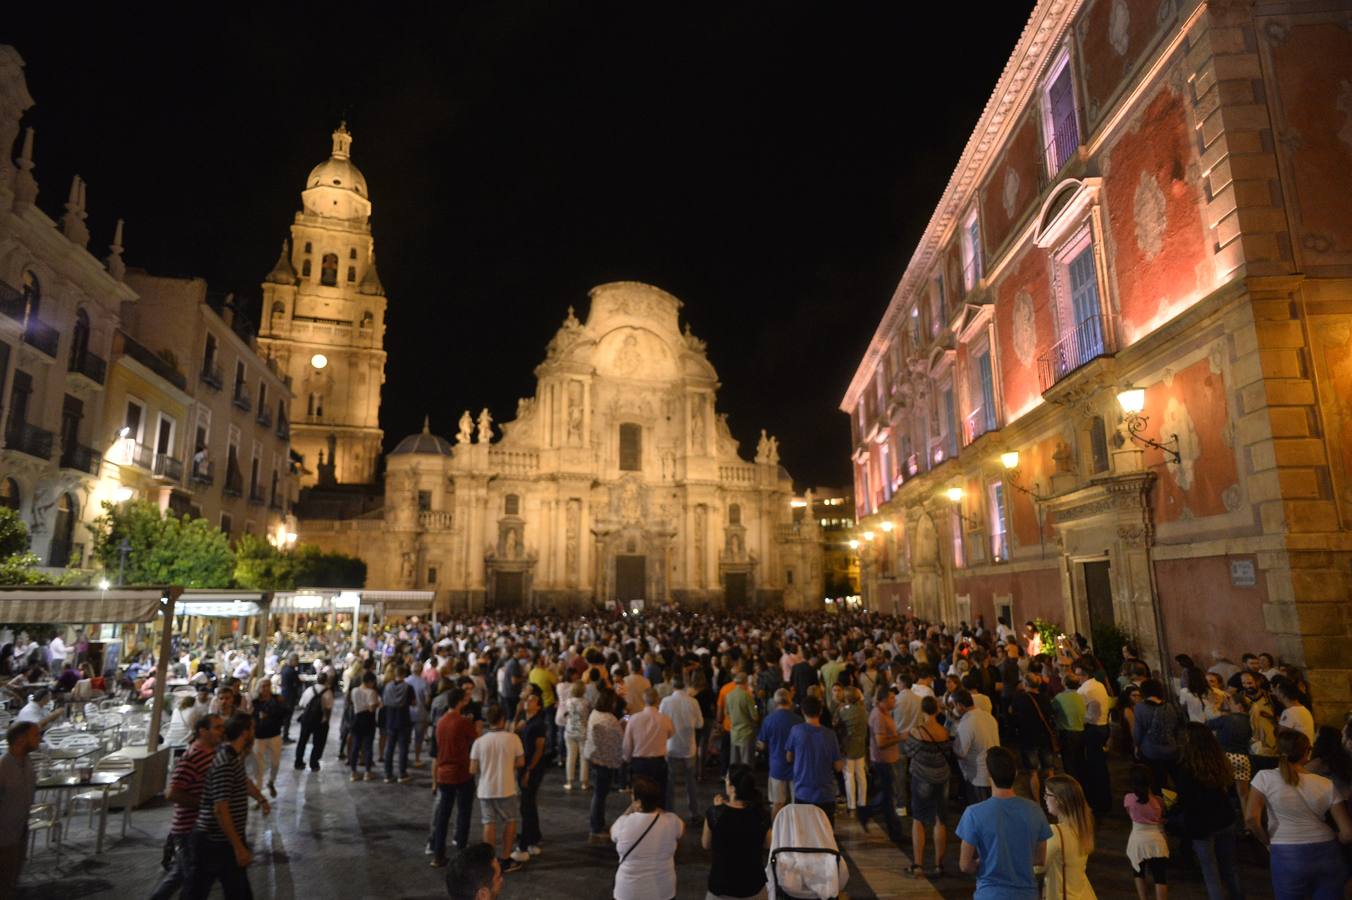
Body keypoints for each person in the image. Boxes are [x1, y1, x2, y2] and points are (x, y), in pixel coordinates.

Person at [1246, 730, 1352, 899]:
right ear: (1307, 753)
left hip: (1287, 853)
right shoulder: (1326, 784)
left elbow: (1251, 818)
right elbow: (1348, 833)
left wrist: (1266, 841)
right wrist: (1337, 836)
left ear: (1278, 751)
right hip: (1328, 853)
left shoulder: (1264, 778)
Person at [186, 712, 271, 900]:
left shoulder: (232, 757)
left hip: (222, 840)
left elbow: (244, 781)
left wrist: (261, 799)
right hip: (214, 841)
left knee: (236, 892)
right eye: (252, 729)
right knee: (198, 892)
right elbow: (220, 808)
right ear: (244, 733)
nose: (254, 733)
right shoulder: (225, 762)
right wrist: (238, 846)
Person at [956, 746, 1053, 899]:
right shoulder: (1035, 811)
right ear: (1015, 773)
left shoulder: (974, 813)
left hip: (990, 893)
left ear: (989, 774)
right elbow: (1040, 858)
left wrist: (986, 862)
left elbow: (965, 865)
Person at [151, 713, 224, 900]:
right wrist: (204, 804)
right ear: (202, 731)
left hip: (200, 828)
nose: (221, 731)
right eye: (217, 727)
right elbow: (172, 792)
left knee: (181, 875)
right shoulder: (192, 757)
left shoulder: (213, 753)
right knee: (192, 878)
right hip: (187, 829)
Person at [1174, 723, 1244, 900]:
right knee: (1230, 868)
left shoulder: (1186, 769)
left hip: (1202, 826)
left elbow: (1187, 802)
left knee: (1211, 873)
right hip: (1225, 818)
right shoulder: (1220, 762)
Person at [469, 703, 526, 872]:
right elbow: (521, 762)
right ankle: (506, 859)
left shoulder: (479, 742)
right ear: (502, 719)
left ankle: (490, 860)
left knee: (489, 823)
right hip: (507, 787)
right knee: (509, 822)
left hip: (486, 789)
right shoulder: (513, 738)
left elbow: (472, 769)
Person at [703, 763, 771, 900]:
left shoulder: (715, 814)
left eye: (727, 779)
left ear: (732, 788)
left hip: (721, 888)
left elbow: (706, 844)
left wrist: (718, 809)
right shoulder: (761, 814)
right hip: (753, 887)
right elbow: (768, 844)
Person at [611, 774, 684, 900]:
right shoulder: (672, 821)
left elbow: (613, 834)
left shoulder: (623, 823)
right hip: (663, 891)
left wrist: (631, 809)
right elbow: (681, 830)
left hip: (629, 891)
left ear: (638, 802)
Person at [904, 695, 953, 878]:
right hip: (942, 777)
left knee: (919, 820)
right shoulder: (944, 731)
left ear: (922, 710)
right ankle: (939, 864)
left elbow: (908, 750)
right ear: (937, 710)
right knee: (940, 820)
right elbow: (948, 751)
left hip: (921, 778)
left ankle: (918, 864)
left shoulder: (918, 731)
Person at [431, 687, 480, 867]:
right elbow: (475, 737)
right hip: (461, 772)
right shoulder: (462, 721)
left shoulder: (441, 721)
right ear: (459, 701)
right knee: (463, 813)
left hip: (443, 772)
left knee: (443, 815)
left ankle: (438, 853)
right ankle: (460, 852)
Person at [785, 695, 844, 824]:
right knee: (825, 835)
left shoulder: (796, 731)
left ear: (803, 712)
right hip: (825, 793)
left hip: (803, 791)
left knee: (804, 834)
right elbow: (838, 766)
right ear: (821, 712)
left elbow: (789, 757)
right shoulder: (830, 735)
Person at [0, 721, 40, 895]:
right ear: (21, 739)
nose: (39, 738)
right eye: (35, 735)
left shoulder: (27, 762)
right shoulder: (3, 768)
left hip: (20, 827)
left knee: (14, 874)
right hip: (4, 832)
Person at [1042, 774, 1096, 900]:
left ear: (1060, 800)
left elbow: (1037, 867)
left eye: (1047, 794)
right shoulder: (1082, 826)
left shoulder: (1056, 832)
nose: (1044, 798)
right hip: (1083, 894)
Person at [660, 676, 704, 823]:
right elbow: (700, 724)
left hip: (671, 746)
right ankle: (694, 812)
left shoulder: (666, 702)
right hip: (688, 746)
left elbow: (660, 722)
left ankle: (670, 811)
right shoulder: (693, 702)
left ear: (672, 687)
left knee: (670, 782)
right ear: (685, 686)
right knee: (690, 781)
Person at [863, 685, 904, 840]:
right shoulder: (879, 716)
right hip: (883, 761)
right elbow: (880, 742)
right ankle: (894, 831)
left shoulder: (884, 713)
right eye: (892, 698)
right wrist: (900, 737)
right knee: (888, 797)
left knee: (887, 797)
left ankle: (893, 830)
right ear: (884, 700)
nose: (895, 701)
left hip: (888, 759)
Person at [1123, 764, 1169, 900]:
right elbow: (1161, 818)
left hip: (1137, 840)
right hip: (1156, 841)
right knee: (1160, 877)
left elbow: (1130, 815)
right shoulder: (1159, 801)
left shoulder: (1128, 799)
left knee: (1138, 873)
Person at [757, 687, 803, 820]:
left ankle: (775, 833)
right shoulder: (798, 720)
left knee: (777, 803)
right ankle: (797, 833)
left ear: (775, 702)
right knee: (797, 805)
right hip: (796, 766)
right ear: (790, 700)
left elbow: (762, 744)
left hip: (776, 766)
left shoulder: (768, 720)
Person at [623, 687, 675, 802]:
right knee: (659, 797)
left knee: (639, 798)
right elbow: (671, 734)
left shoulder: (633, 719)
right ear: (658, 700)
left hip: (639, 763)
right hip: (658, 763)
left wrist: (627, 759)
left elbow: (627, 744)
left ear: (643, 700)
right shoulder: (665, 719)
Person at [586, 690, 625, 844]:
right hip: (605, 761)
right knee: (600, 795)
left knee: (599, 794)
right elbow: (620, 737)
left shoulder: (595, 713)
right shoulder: (610, 719)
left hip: (594, 758)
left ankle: (597, 823)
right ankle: (596, 827)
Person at [513, 692, 548, 860]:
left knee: (527, 804)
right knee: (527, 803)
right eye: (527, 699)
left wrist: (528, 770)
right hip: (524, 767)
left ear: (539, 706)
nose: (528, 701)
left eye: (532, 700)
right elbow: (512, 735)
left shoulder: (538, 724)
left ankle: (527, 842)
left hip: (531, 768)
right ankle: (534, 836)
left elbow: (539, 750)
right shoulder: (525, 722)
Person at [1075, 660, 1112, 816]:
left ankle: (1098, 801)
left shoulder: (1084, 690)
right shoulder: (1099, 685)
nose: (1076, 677)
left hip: (1092, 729)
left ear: (1084, 674)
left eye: (1077, 674)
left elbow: (1079, 712)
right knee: (1101, 765)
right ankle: (1105, 799)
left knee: (1094, 766)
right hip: (1103, 726)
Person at [1132, 679, 1182, 793]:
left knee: (1157, 781)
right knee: (1175, 779)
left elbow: (1138, 732)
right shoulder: (1170, 706)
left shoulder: (1140, 708)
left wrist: (1136, 746)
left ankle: (1160, 803)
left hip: (1151, 751)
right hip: (1171, 749)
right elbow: (1175, 728)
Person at [952, 688, 999, 802]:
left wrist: (952, 745)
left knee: (980, 810)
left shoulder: (967, 723)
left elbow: (961, 752)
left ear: (960, 705)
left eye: (954, 705)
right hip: (993, 771)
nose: (954, 709)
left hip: (977, 777)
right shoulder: (989, 717)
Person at [250, 680, 287, 797]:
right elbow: (251, 716)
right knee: (258, 766)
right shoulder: (255, 702)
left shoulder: (277, 699)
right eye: (263, 686)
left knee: (275, 763)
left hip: (274, 735)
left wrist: (270, 714)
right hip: (259, 736)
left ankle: (271, 782)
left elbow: (285, 713)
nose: (266, 688)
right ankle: (258, 792)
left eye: (268, 686)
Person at [837, 685, 869, 816]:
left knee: (849, 776)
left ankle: (852, 805)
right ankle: (863, 802)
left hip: (847, 747)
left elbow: (837, 726)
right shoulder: (863, 711)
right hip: (860, 745)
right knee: (861, 775)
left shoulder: (843, 711)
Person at [293, 672, 333, 772]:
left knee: (302, 741)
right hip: (320, 722)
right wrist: (327, 721)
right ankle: (314, 764)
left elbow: (301, 704)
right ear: (326, 680)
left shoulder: (309, 690)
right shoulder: (328, 692)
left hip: (306, 720)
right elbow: (328, 709)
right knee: (318, 743)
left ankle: (298, 762)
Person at [382, 664, 415, 783]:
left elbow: (384, 701)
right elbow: (413, 702)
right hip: (403, 720)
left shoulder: (387, 686)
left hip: (390, 719)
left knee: (389, 748)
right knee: (403, 748)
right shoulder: (408, 687)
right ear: (404, 674)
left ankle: (388, 774)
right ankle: (402, 773)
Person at [558, 680, 592, 791]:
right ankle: (584, 782)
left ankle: (569, 782)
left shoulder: (568, 702)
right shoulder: (587, 702)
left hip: (569, 731)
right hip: (583, 731)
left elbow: (563, 715)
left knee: (570, 757)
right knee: (583, 757)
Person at [349, 671, 381, 781]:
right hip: (367, 719)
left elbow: (353, 703)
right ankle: (367, 772)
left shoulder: (354, 690)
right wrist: (377, 704)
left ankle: (353, 772)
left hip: (356, 718)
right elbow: (372, 709)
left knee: (356, 746)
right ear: (370, 681)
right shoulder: (371, 692)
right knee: (367, 747)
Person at [725, 672, 760, 768]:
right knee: (746, 764)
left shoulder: (729, 695)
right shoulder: (747, 696)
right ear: (745, 682)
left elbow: (726, 713)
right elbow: (755, 716)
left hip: (734, 733)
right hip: (746, 733)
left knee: (734, 764)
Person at [1271, 678, 1315, 743]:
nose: (1275, 693)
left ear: (1283, 694)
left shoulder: (1289, 712)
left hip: (1297, 750)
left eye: (1277, 691)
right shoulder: (1304, 709)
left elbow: (1280, 735)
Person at [279, 653, 301, 744]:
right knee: (287, 717)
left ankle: (284, 735)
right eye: (297, 660)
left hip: (285, 694)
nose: (298, 663)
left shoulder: (284, 669)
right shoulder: (291, 671)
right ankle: (285, 736)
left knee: (285, 717)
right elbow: (297, 683)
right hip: (289, 696)